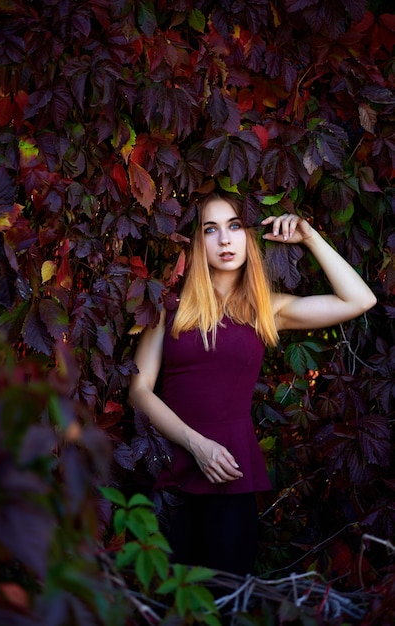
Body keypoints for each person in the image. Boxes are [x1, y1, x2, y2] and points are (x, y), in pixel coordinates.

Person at [128, 192, 376, 576]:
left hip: (230, 475)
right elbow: (138, 391)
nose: (225, 240)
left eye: (234, 226)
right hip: (170, 470)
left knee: (223, 603)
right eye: (211, 229)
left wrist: (309, 237)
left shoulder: (266, 310)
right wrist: (196, 444)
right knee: (165, 605)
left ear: (249, 236)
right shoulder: (167, 307)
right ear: (197, 241)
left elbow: (359, 299)